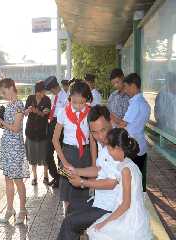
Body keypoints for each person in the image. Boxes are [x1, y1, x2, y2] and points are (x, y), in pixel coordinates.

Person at [57, 105, 120, 240]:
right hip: (101, 199)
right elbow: (98, 169)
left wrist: (82, 182)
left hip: (112, 205)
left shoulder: (117, 144)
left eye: (103, 130)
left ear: (110, 122)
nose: (100, 136)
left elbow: (112, 183)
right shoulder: (103, 142)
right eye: (95, 132)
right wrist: (75, 170)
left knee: (69, 222)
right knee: (72, 207)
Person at [87, 128, 153, 240]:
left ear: (117, 148)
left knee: (97, 231)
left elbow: (126, 204)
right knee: (96, 229)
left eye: (110, 150)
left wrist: (105, 223)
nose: (109, 153)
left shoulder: (125, 170)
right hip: (133, 212)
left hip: (131, 219)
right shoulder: (129, 164)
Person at [0, 78, 30, 225]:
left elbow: (16, 128)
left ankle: (22, 210)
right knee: (7, 179)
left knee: (18, 180)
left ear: (11, 88)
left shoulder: (18, 104)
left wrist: (0, 121)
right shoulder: (10, 105)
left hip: (15, 148)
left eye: (3, 92)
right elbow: (10, 127)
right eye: (1, 93)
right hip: (7, 146)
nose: (3, 95)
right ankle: (9, 209)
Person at [52, 81, 94, 211]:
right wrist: (64, 162)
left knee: (84, 193)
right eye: (74, 102)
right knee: (67, 194)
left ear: (87, 100)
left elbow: (92, 142)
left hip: (85, 155)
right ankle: (68, 220)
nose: (77, 106)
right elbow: (55, 140)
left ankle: (81, 224)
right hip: (67, 155)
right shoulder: (62, 113)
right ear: (70, 98)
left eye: (82, 103)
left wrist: (93, 166)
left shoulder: (90, 113)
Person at [111, 73, 151, 192]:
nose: (126, 90)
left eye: (127, 86)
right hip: (140, 144)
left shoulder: (136, 104)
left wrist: (111, 117)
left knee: (131, 180)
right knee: (138, 178)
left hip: (133, 146)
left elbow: (123, 124)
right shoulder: (143, 102)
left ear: (133, 86)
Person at [24, 81, 51, 185]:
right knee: (32, 156)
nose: (41, 94)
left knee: (45, 156)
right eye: (40, 92)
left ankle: (45, 176)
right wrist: (28, 110)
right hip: (30, 132)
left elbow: (46, 114)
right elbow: (25, 113)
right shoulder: (30, 98)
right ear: (36, 91)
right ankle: (34, 177)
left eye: (43, 92)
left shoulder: (47, 100)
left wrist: (37, 112)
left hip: (42, 132)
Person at [44, 76, 68, 188]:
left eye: (51, 90)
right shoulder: (54, 97)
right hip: (52, 124)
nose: (51, 92)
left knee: (60, 155)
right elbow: (54, 111)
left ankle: (62, 180)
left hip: (61, 127)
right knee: (47, 153)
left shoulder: (66, 97)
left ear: (54, 88)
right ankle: (56, 176)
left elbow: (66, 114)